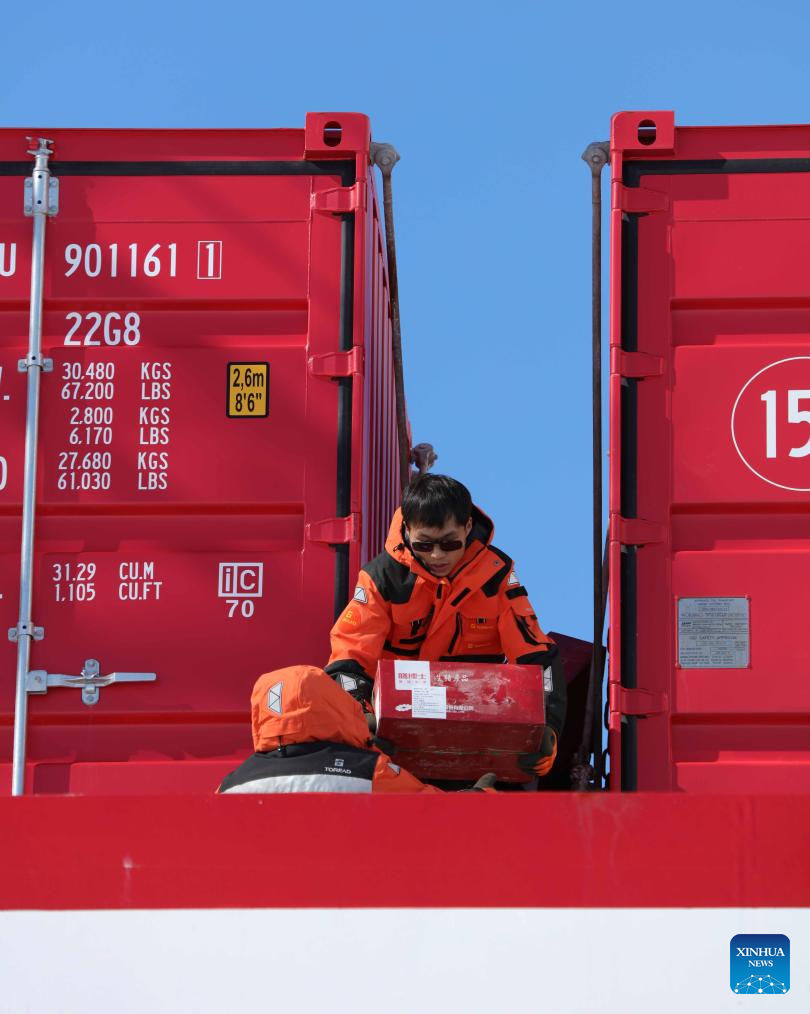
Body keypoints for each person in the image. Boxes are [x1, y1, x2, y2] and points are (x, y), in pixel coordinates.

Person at [326, 474, 565, 778]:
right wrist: (360, 722)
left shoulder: (497, 578)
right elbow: (348, 660)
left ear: (467, 527)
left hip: (475, 741)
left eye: (450, 543)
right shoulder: (381, 579)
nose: (438, 556)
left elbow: (538, 658)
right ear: (408, 530)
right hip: (392, 745)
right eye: (424, 545)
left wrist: (548, 730)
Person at [218, 664, 495, 794]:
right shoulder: (368, 769)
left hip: (266, 899)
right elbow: (432, 814)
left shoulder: (231, 783)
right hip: (345, 894)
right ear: (334, 706)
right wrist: (481, 796)